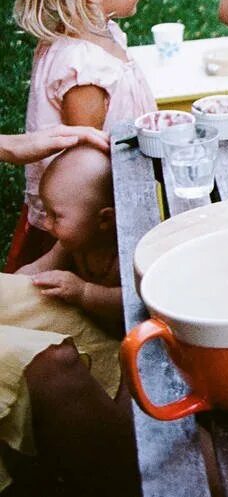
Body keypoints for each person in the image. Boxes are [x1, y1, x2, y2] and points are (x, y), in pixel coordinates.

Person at [13, 0, 156, 241]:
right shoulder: (85, 70)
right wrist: (65, 252)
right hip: (85, 225)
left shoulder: (102, 32)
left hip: (103, 201)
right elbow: (79, 170)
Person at [1, 145, 137, 497]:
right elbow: (37, 271)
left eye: (56, 216)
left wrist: (85, 293)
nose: (47, 224)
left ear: (104, 219)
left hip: (130, 338)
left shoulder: (123, 252)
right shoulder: (72, 242)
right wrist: (18, 283)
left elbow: (134, 304)